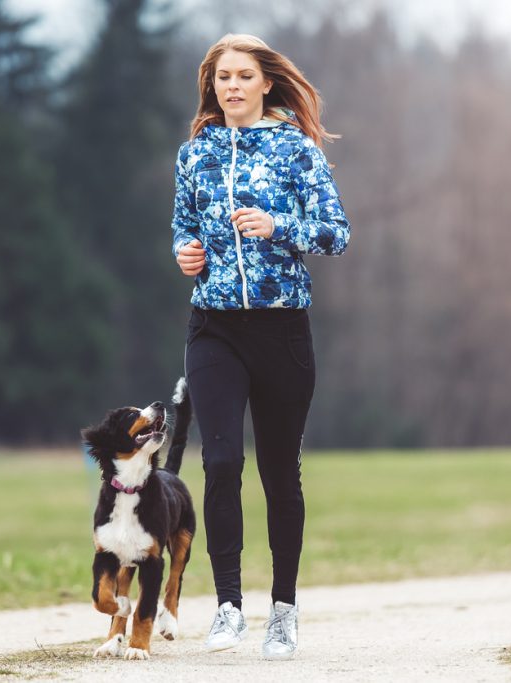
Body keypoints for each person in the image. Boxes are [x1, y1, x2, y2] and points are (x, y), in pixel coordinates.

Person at [171, 33, 350, 661]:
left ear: (266, 82)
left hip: (282, 330)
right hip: (214, 327)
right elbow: (183, 230)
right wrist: (185, 254)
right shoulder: (195, 154)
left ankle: (283, 611)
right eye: (223, 77)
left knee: (279, 473)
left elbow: (336, 234)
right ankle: (226, 606)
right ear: (212, 85)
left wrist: (280, 227)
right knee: (220, 463)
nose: (233, 86)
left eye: (245, 75)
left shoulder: (297, 151)